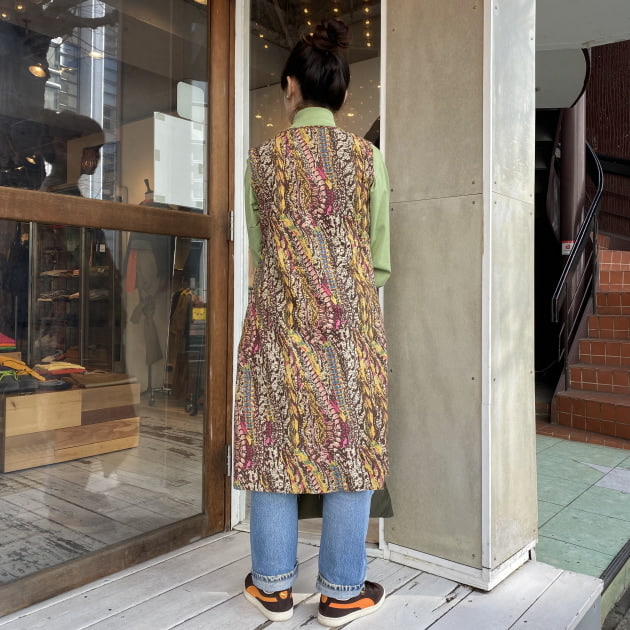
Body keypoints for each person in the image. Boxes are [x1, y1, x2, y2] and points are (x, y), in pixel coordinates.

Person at [233, 17, 391, 627]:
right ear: (342, 95)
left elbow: (260, 249)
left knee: (272, 442)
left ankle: (272, 587)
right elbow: (379, 261)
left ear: (290, 88)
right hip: (350, 329)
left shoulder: (260, 161)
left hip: (276, 325)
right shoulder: (368, 159)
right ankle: (342, 592)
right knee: (352, 447)